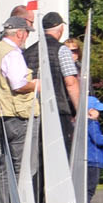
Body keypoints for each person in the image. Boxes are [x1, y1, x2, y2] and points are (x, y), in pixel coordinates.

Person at [0, 17, 40, 203]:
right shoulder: (12, 54)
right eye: (27, 33)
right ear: (20, 33)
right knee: (23, 167)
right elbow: (19, 84)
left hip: (3, 114)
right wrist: (37, 84)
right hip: (19, 115)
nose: (27, 37)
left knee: (6, 166)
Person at [28, 11, 81, 145]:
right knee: (60, 152)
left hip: (33, 111)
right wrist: (80, 109)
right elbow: (71, 82)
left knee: (38, 154)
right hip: (58, 109)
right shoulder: (62, 50)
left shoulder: (27, 52)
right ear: (61, 29)